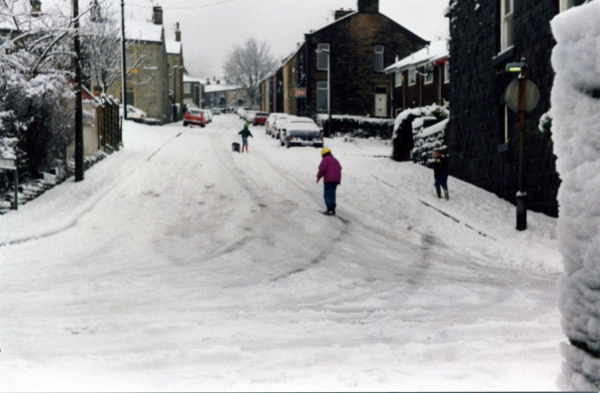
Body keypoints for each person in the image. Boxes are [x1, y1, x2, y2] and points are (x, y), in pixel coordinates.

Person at [316, 148, 342, 216]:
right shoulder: (336, 160)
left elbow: (322, 168)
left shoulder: (325, 159)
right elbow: (340, 168)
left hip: (329, 179)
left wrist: (319, 176)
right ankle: (333, 208)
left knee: (327, 194)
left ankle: (329, 208)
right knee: (332, 193)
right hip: (336, 180)